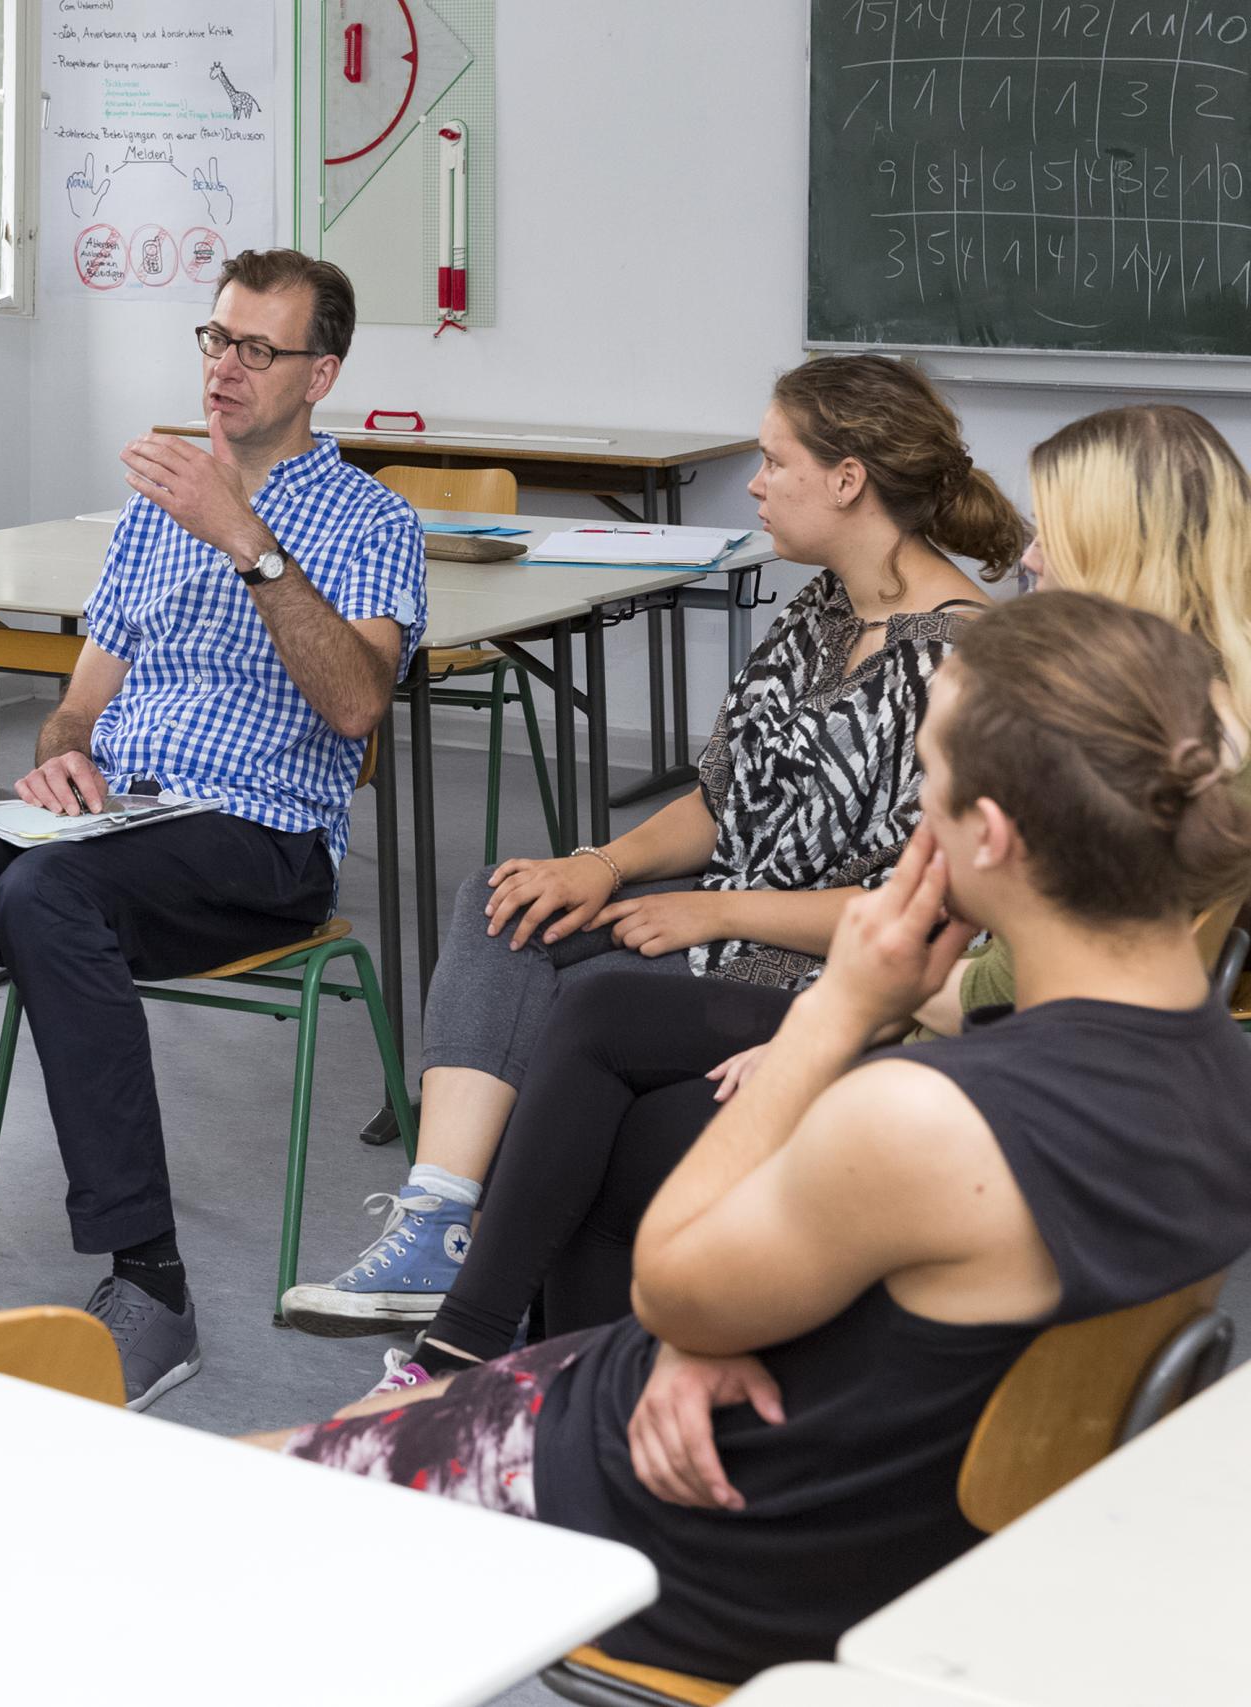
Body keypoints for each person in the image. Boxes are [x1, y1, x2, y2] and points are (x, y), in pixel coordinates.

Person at [258, 591, 1251, 1682]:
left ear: (990, 835)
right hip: (911, 1526)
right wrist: (709, 1332)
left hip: (724, 1539)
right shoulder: (1216, 1074)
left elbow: (674, 1290)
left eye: (928, 777)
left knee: (235, 1492)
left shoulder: (926, 1119)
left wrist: (839, 1011)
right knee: (412, 1400)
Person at [386, 401, 1251, 1382]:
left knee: (608, 1120)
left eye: (1053, 532)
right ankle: (500, 1349)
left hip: (933, 1046)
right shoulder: (1168, 730)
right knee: (578, 1001)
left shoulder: (1082, 730)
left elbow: (983, 981)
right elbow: (961, 943)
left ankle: (535, 1374)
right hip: (948, 1036)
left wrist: (828, 1025)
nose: (1029, 558)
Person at [0, 248, 426, 1410]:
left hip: (261, 836)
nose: (224, 368)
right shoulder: (153, 511)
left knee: (44, 899)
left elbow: (354, 705)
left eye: (258, 349)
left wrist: (245, 539)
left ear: (320, 373)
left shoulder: (372, 521)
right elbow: (78, 705)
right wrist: (63, 756)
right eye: (216, 339)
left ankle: (151, 1284)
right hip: (120, 816)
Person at [281, 354, 1024, 1336]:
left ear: (848, 480)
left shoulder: (957, 661)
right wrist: (601, 866)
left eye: (775, 461)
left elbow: (917, 918)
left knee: (569, 1018)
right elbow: (721, 797)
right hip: (725, 922)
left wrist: (712, 909)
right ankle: (437, 1225)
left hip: (818, 970)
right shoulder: (822, 609)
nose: (754, 484)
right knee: (507, 901)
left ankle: (494, 1313)